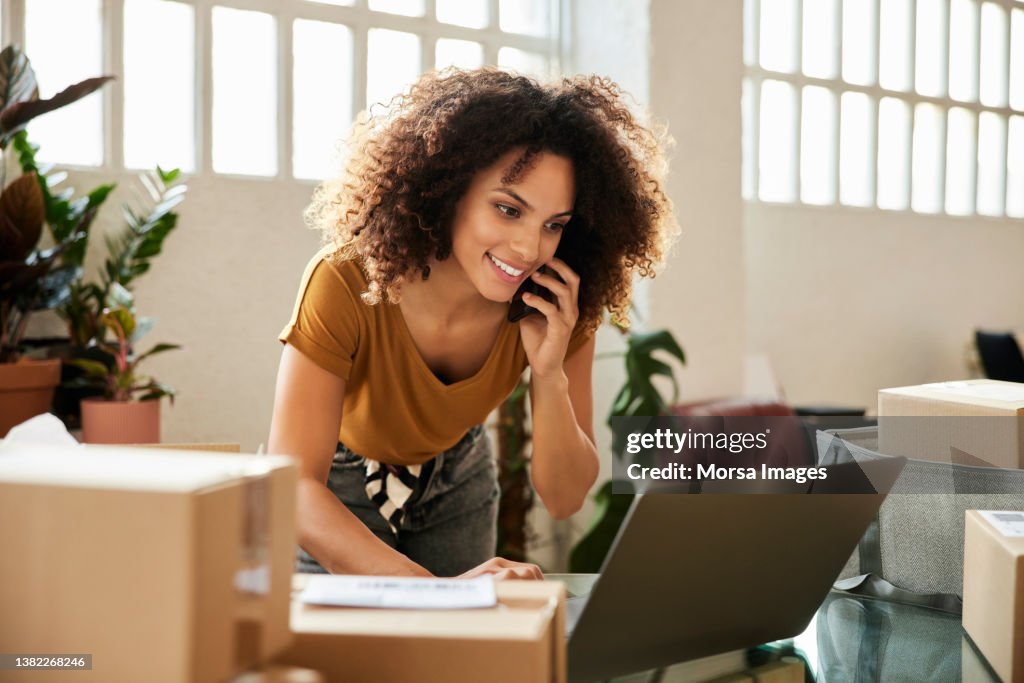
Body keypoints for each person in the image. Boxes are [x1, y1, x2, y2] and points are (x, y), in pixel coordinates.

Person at [269, 67, 677, 580]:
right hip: (335, 488)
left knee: (451, 659)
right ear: (448, 189)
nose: (529, 248)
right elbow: (296, 485)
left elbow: (565, 497)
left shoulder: (557, 303)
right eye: (508, 210)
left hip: (458, 476)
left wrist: (549, 374)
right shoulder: (347, 279)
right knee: (344, 656)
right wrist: (437, 592)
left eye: (554, 225)